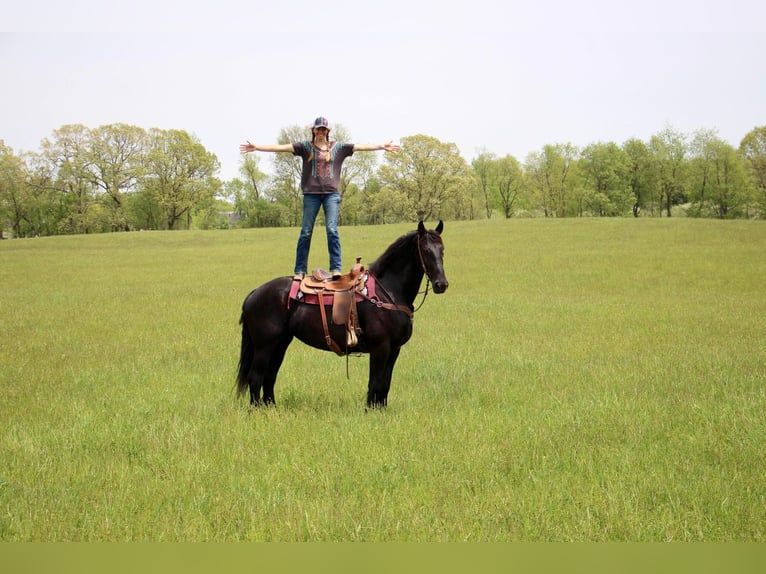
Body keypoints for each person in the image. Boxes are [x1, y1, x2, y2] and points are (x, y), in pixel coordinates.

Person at [240, 117, 400, 280]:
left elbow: (361, 146)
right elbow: (280, 148)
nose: (321, 132)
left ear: (327, 131)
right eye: (318, 129)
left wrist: (382, 146)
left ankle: (336, 268)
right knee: (306, 232)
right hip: (311, 195)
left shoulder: (337, 147)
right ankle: (300, 270)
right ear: (314, 131)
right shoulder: (305, 147)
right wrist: (256, 147)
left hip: (331, 195)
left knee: (332, 230)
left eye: (324, 129)